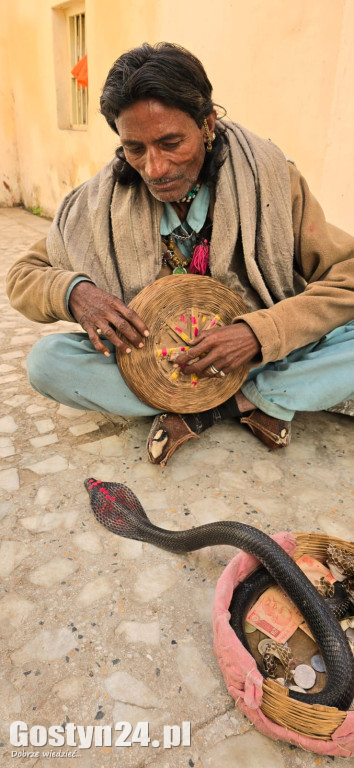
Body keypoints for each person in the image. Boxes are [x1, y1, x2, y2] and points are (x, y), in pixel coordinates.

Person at [7, 42, 354, 466]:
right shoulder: (97, 205)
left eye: (171, 143)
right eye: (135, 148)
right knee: (47, 362)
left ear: (207, 124)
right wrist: (76, 293)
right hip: (158, 364)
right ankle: (252, 401)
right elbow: (24, 274)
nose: (154, 168)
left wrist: (258, 334)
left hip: (260, 358)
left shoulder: (272, 179)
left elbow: (347, 274)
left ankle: (229, 403)